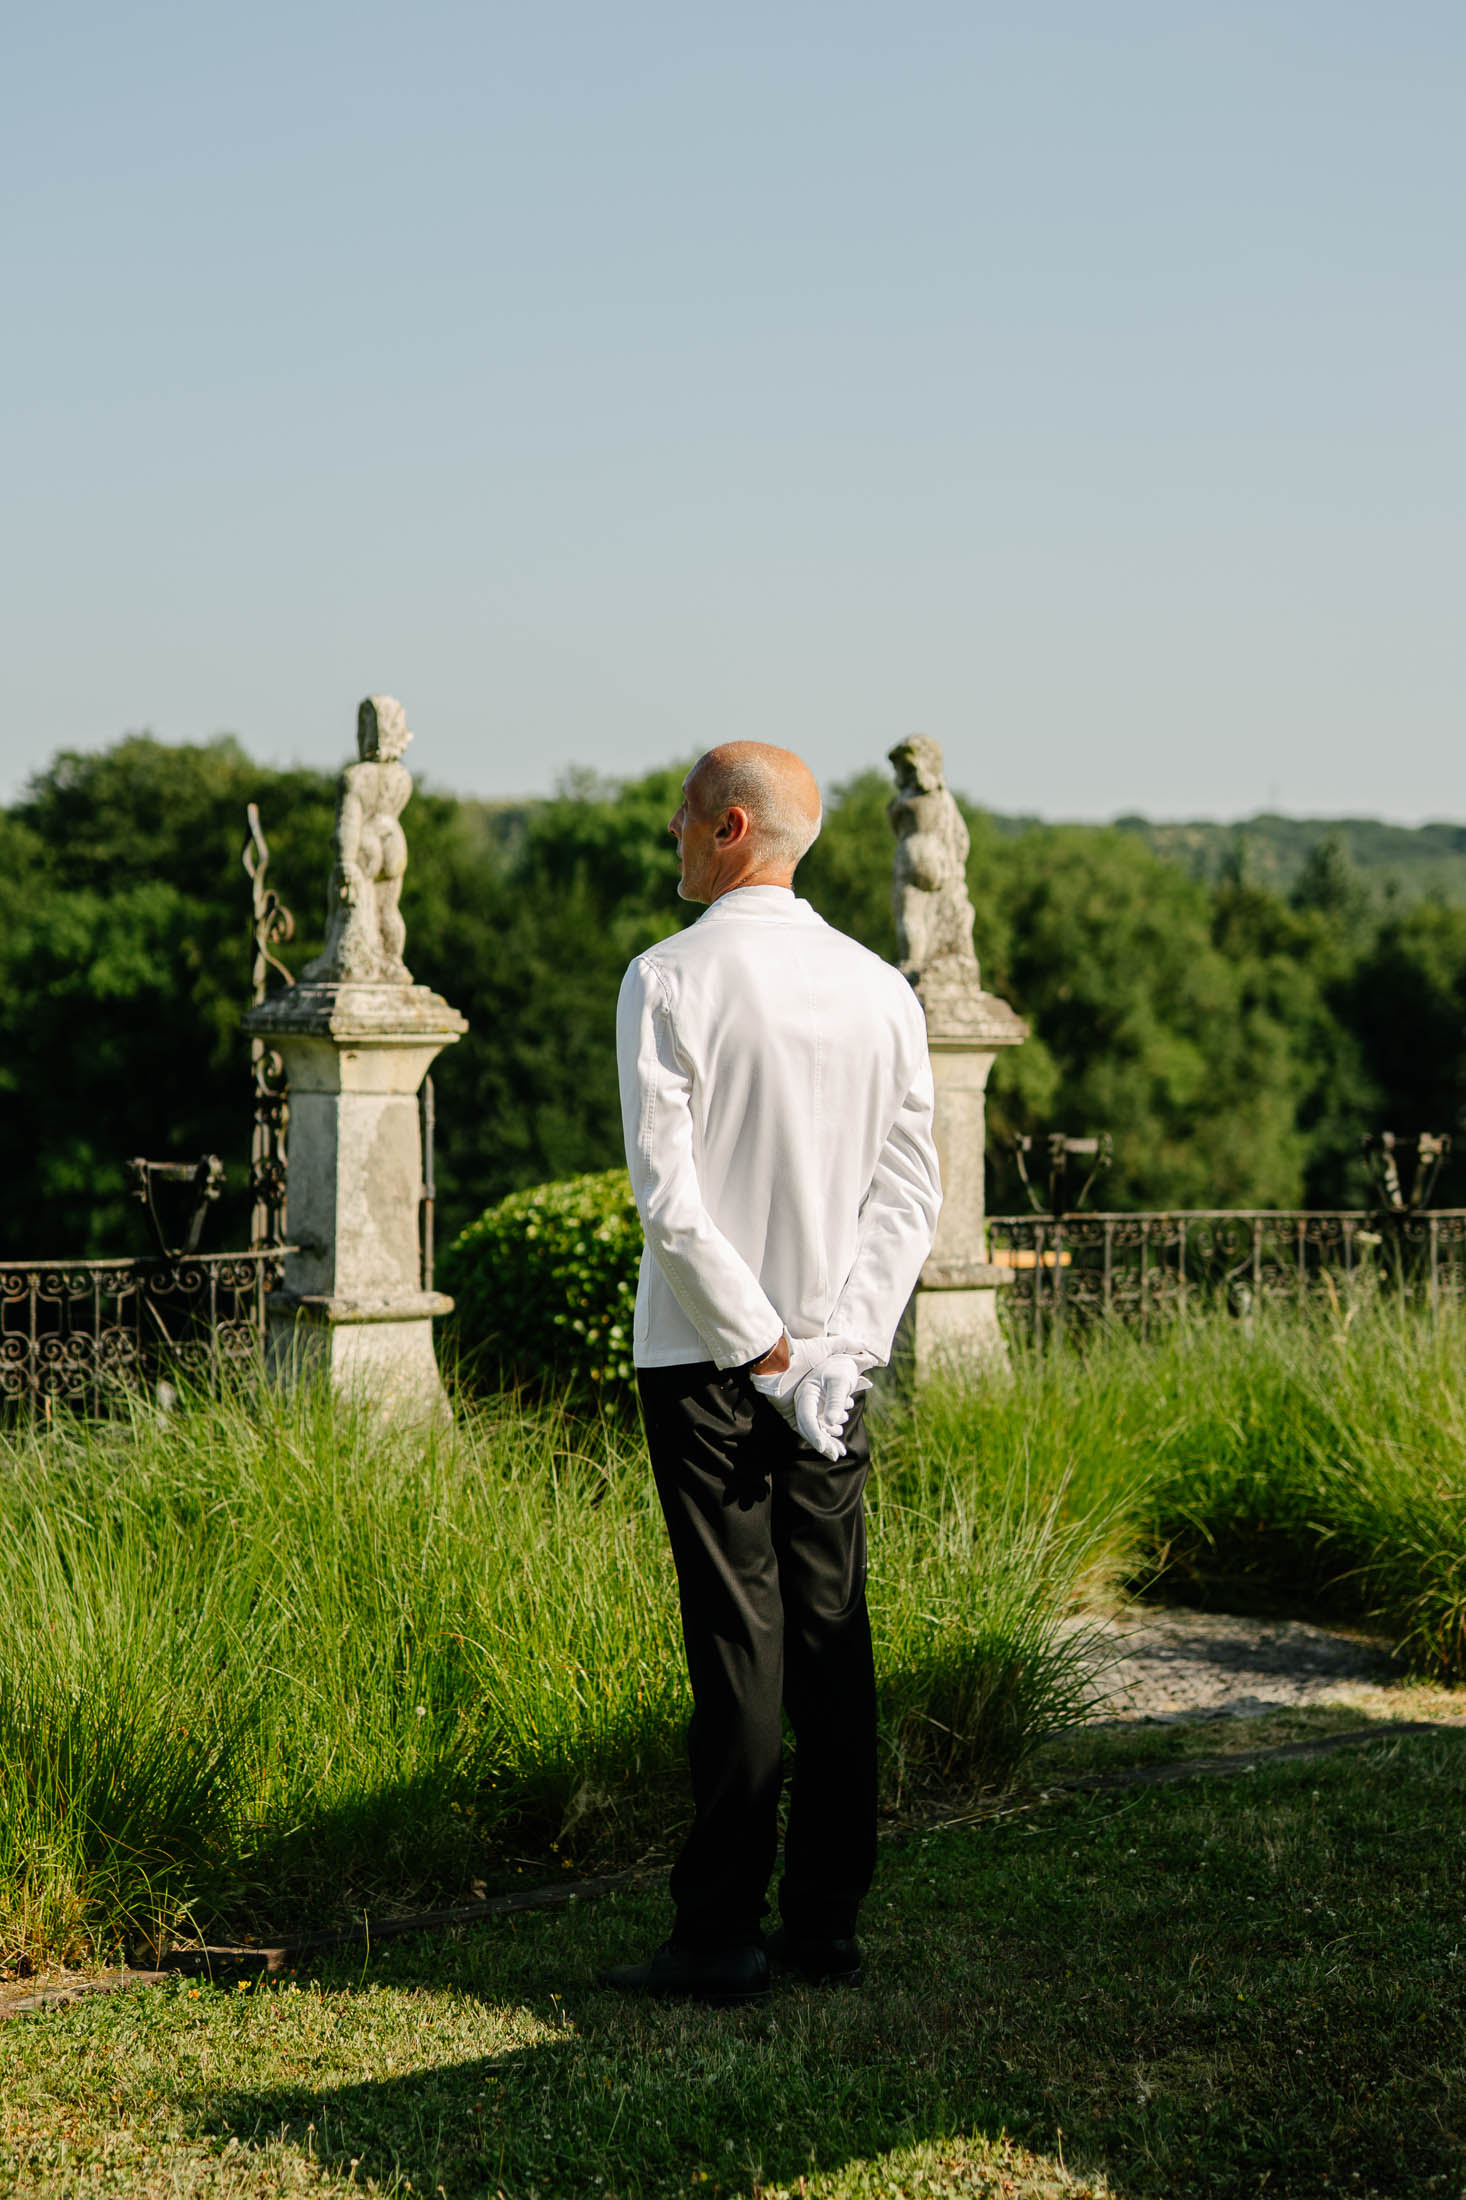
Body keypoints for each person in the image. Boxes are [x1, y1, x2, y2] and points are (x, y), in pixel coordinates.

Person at [599, 741, 942, 2006]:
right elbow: (912, 1193)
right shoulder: (878, 987)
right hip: (834, 1366)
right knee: (829, 1633)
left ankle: (717, 1936)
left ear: (733, 826)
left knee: (738, 1640)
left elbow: (669, 1204)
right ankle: (825, 1925)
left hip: (706, 1356)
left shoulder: (666, 976)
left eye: (683, 814)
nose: (672, 835)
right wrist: (838, 1345)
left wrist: (765, 1349)